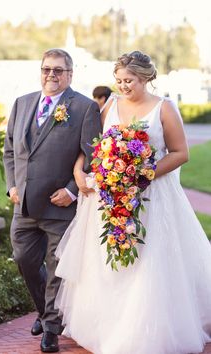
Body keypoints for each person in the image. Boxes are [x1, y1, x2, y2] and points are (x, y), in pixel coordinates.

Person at [54, 50, 211, 354]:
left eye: (130, 81)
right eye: (119, 80)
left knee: (147, 260)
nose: (123, 86)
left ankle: (143, 330)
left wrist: (142, 175)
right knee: (108, 259)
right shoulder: (110, 103)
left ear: (146, 78)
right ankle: (107, 325)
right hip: (110, 196)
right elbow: (92, 144)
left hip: (152, 197)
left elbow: (180, 153)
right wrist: (78, 169)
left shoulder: (164, 108)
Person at [3, 48, 102, 353]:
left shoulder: (85, 108)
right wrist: (11, 187)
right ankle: (46, 311)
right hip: (24, 204)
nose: (52, 75)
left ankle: (51, 328)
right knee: (24, 259)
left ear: (70, 74)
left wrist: (73, 189)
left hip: (60, 204)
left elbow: (92, 155)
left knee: (57, 265)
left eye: (58, 70)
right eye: (47, 69)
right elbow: (10, 151)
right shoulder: (22, 103)